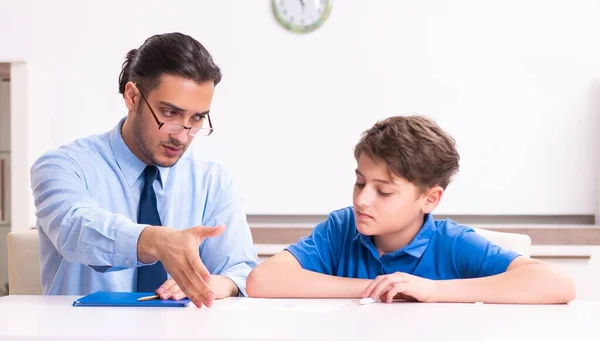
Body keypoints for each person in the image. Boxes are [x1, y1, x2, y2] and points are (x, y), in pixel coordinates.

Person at [30, 32, 258, 308]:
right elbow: (75, 229)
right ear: (132, 96)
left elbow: (242, 270)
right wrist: (155, 241)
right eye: (170, 114)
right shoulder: (63, 166)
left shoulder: (213, 181)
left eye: (196, 118)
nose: (182, 136)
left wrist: (220, 283)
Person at [246, 115, 575, 304]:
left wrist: (432, 290)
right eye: (360, 183)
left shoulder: (452, 242)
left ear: (430, 199)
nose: (362, 200)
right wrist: (379, 287)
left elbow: (558, 286)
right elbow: (262, 280)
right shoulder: (341, 228)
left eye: (384, 191)